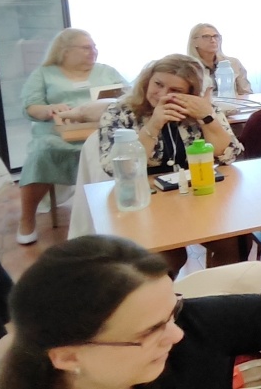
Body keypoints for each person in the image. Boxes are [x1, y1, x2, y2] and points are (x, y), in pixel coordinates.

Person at [0, 235, 261, 389]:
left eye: (173, 308)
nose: (176, 334)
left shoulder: (190, 330)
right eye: (151, 331)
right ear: (68, 357)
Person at [98, 54, 244, 273]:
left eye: (176, 90)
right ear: (147, 80)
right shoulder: (120, 113)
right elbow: (114, 167)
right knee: (165, 258)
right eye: (158, 84)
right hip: (148, 199)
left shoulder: (202, 108)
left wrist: (207, 118)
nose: (163, 94)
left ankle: (216, 290)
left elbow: (230, 154)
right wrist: (153, 125)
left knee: (235, 243)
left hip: (197, 193)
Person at [16, 29, 127, 245]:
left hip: (99, 132)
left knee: (116, 149)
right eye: (86, 48)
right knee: (42, 154)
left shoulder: (106, 71)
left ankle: (111, 214)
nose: (93, 52)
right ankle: (27, 219)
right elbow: (30, 106)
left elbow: (129, 97)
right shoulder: (44, 73)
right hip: (57, 135)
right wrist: (48, 109)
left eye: (94, 47)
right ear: (65, 51)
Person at [185, 23, 251, 96]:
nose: (213, 40)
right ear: (194, 42)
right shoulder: (188, 67)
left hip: (233, 103)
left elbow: (246, 93)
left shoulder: (233, 63)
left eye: (216, 36)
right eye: (206, 37)